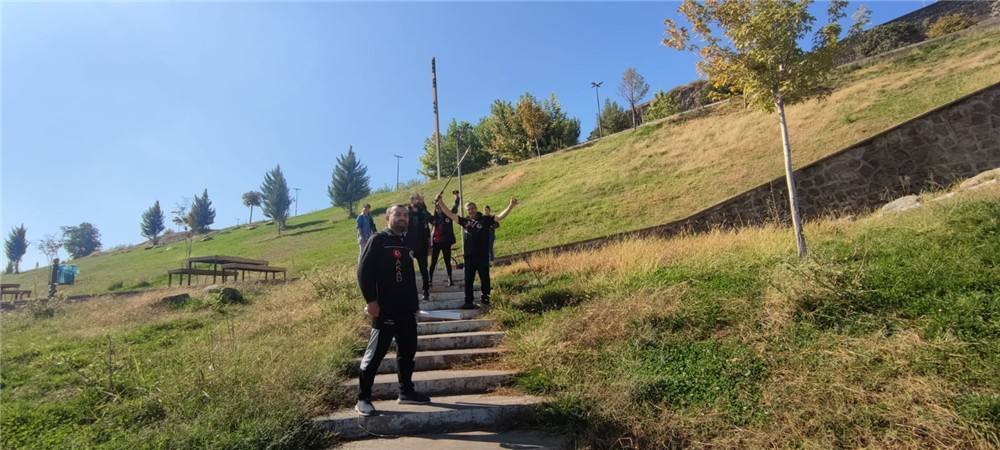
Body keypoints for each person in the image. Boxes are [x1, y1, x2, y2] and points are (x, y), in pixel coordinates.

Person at [355, 204, 432, 416]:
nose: (402, 217)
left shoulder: (406, 244)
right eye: (398, 214)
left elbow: (409, 279)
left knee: (407, 353)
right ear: (388, 218)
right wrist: (371, 301)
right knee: (375, 354)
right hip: (384, 310)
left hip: (406, 311)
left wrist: (415, 307)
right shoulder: (378, 240)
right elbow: (363, 272)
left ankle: (406, 392)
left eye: (405, 215)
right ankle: (362, 399)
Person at [435, 194, 517, 309]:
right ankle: (468, 302)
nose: (471, 211)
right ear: (467, 211)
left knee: (485, 279)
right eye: (469, 209)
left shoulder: (485, 219)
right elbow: (450, 214)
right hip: (469, 257)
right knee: (468, 280)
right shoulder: (465, 221)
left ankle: (486, 299)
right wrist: (440, 202)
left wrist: (510, 206)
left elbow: (499, 217)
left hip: (482, 255)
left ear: (476, 208)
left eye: (472, 208)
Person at [429, 191, 460, 287]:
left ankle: (450, 279)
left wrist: (457, 197)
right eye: (437, 207)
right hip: (436, 243)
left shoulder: (448, 215)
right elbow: (424, 213)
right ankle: (430, 280)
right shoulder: (433, 218)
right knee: (433, 262)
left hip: (446, 242)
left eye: (440, 207)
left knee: (447, 261)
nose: (438, 208)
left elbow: (455, 207)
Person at [406, 193, 434, 301]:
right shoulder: (407, 212)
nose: (418, 201)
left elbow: (431, 220)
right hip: (409, 246)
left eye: (419, 199)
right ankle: (410, 292)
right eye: (416, 199)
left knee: (424, 270)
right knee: (408, 271)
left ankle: (426, 291)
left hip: (422, 246)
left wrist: (423, 206)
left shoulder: (422, 211)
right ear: (412, 200)